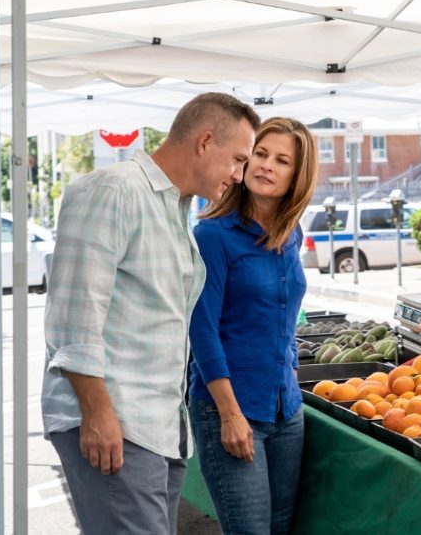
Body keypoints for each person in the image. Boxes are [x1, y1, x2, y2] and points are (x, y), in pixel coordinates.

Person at [42, 93, 261, 535]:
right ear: (204, 142)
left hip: (159, 428)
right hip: (117, 424)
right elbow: (74, 318)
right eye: (237, 160)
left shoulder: (174, 209)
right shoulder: (114, 189)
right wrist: (98, 414)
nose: (240, 176)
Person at [188, 117, 318, 534]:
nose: (266, 166)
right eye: (260, 154)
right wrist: (229, 414)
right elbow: (202, 330)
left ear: (297, 176)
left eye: (282, 161)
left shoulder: (291, 234)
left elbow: (285, 314)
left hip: (286, 411)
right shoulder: (213, 235)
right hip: (230, 409)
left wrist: (291, 373)